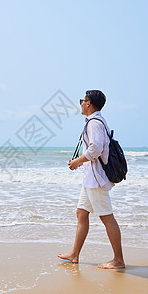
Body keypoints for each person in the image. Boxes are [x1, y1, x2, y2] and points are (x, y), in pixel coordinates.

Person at [57, 90, 125, 269]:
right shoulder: (96, 121)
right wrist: (81, 163)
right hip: (90, 178)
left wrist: (78, 161)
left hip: (96, 179)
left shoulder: (94, 123)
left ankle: (118, 260)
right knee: (81, 213)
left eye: (82, 100)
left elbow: (95, 150)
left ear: (88, 103)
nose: (80, 103)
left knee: (107, 218)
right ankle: (74, 253)